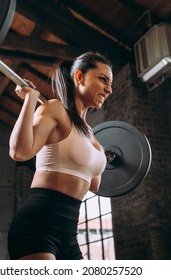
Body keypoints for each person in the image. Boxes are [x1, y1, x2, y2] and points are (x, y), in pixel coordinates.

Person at [7, 51, 113, 260]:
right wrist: (31, 99)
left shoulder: (93, 137)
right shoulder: (55, 109)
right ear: (79, 77)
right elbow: (19, 152)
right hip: (38, 225)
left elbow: (94, 184)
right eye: (103, 79)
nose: (109, 89)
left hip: (69, 233)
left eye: (110, 84)